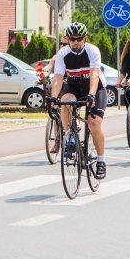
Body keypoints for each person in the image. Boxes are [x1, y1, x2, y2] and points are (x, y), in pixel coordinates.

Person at [50, 22, 108, 179]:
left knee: (94, 123)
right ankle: (69, 136)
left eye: (79, 38)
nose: (76, 42)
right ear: (68, 39)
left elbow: (94, 75)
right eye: (73, 39)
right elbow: (58, 78)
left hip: (95, 87)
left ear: (85, 38)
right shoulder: (63, 54)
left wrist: (91, 95)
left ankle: (101, 161)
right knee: (65, 101)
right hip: (74, 86)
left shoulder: (92, 51)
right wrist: (53, 98)